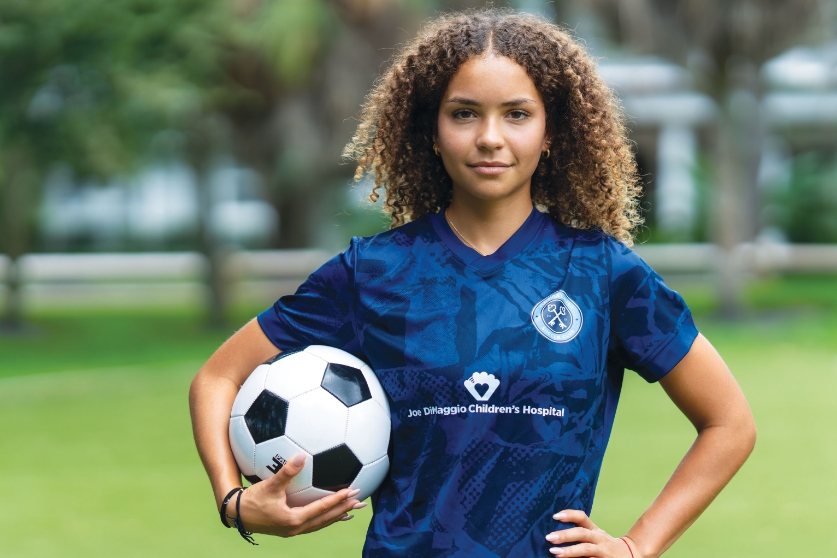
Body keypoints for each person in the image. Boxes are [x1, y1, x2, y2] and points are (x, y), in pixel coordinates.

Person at [189, 9, 756, 558]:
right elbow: (217, 377)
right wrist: (233, 501)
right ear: (432, 132)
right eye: (464, 113)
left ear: (551, 132)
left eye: (516, 114)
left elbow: (730, 424)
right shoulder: (374, 272)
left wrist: (638, 546)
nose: (489, 137)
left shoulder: (603, 273)